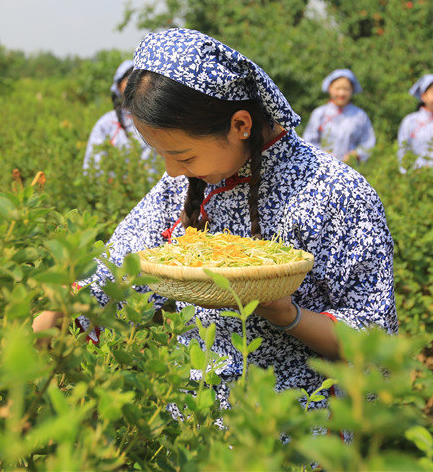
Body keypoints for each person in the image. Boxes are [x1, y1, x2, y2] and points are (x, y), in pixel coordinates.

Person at [35, 28, 397, 408]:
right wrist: (54, 313)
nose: (172, 171)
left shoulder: (336, 194)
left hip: (294, 428)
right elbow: (119, 265)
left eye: (184, 156)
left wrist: (285, 312)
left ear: (241, 125)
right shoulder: (185, 184)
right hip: (196, 416)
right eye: (161, 154)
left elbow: (373, 338)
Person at [82, 59, 153, 172]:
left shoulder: (157, 120)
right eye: (130, 80)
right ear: (119, 86)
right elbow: (93, 168)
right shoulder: (106, 124)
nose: (135, 86)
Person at [302, 68, 376, 163]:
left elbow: (368, 142)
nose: (341, 93)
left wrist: (356, 154)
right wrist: (322, 153)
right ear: (330, 88)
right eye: (337, 89)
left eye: (346, 89)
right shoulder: (319, 113)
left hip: (351, 169)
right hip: (321, 167)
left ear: (352, 90)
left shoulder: (360, 115)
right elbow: (308, 141)